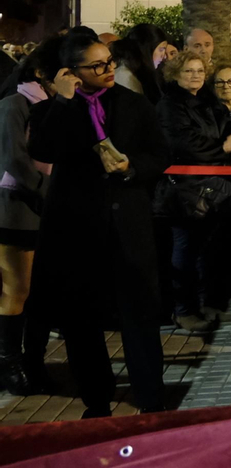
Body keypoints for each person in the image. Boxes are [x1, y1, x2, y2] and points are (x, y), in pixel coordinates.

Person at [29, 35, 172, 415]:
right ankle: (96, 399)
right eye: (97, 65)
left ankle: (150, 397)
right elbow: (43, 149)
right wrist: (62, 100)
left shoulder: (133, 103)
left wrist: (132, 167)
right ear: (70, 72)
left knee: (139, 316)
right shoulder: (54, 109)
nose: (109, 70)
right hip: (77, 229)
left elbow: (159, 154)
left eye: (109, 61)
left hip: (128, 223)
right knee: (81, 321)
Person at [156, 50, 231, 332]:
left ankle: (209, 305)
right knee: (185, 251)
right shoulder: (170, 105)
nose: (195, 75)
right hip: (184, 191)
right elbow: (185, 144)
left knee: (209, 251)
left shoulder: (207, 101)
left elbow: (227, 128)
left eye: (199, 70)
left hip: (213, 187)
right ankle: (184, 310)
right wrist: (224, 148)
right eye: (188, 71)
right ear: (175, 74)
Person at [0, 42, 58, 393]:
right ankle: (9, 365)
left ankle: (28, 362)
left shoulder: (52, 107)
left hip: (41, 206)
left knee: (36, 291)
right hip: (17, 206)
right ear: (41, 73)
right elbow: (15, 159)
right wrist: (49, 190)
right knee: (16, 289)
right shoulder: (15, 105)